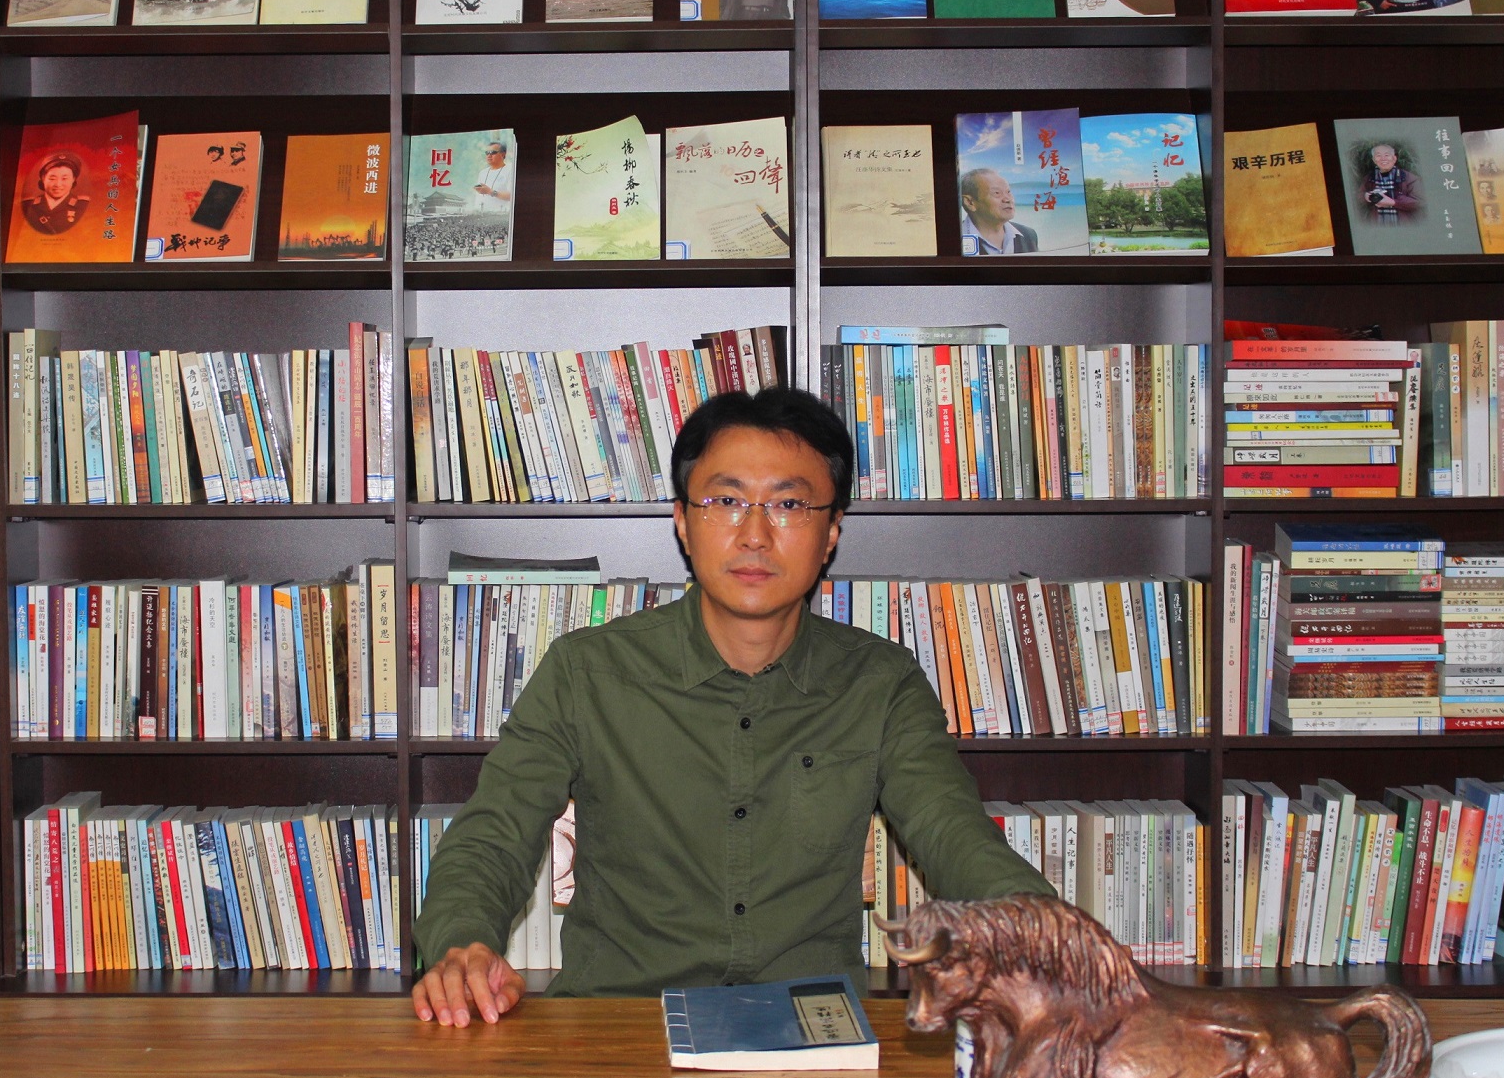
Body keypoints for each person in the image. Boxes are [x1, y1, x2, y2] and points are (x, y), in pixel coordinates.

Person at [411, 386, 1052, 1027]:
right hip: (620, 1028)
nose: (754, 535)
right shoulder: (588, 673)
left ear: (831, 531)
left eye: (789, 505)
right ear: (683, 521)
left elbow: (952, 833)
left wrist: (1049, 938)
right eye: (726, 501)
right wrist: (461, 943)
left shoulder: (880, 684)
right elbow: (494, 836)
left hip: (812, 1030)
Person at [959, 167, 1037, 255]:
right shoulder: (953, 240)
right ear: (970, 202)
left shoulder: (1028, 235)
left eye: (1008, 192)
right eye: (997, 193)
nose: (1008, 199)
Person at [20, 152, 90, 235]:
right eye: (52, 178)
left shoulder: (83, 206)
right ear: (43, 178)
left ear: (73, 179)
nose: (58, 184)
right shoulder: (28, 206)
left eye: (64, 178)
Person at [1357, 142, 1421, 224]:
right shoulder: (1369, 178)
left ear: (1394, 158)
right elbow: (1358, 197)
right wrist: (1366, 196)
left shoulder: (1408, 177)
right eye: (1378, 155)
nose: (1383, 158)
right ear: (1374, 160)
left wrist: (1393, 202)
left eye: (1387, 155)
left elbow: (1420, 203)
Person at [472, 140, 513, 212]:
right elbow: (478, 197)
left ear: (503, 154)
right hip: (481, 213)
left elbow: (512, 196)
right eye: (487, 153)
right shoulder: (482, 173)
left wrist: (490, 192)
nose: (489, 155)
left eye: (493, 152)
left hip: (500, 214)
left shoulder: (510, 170)